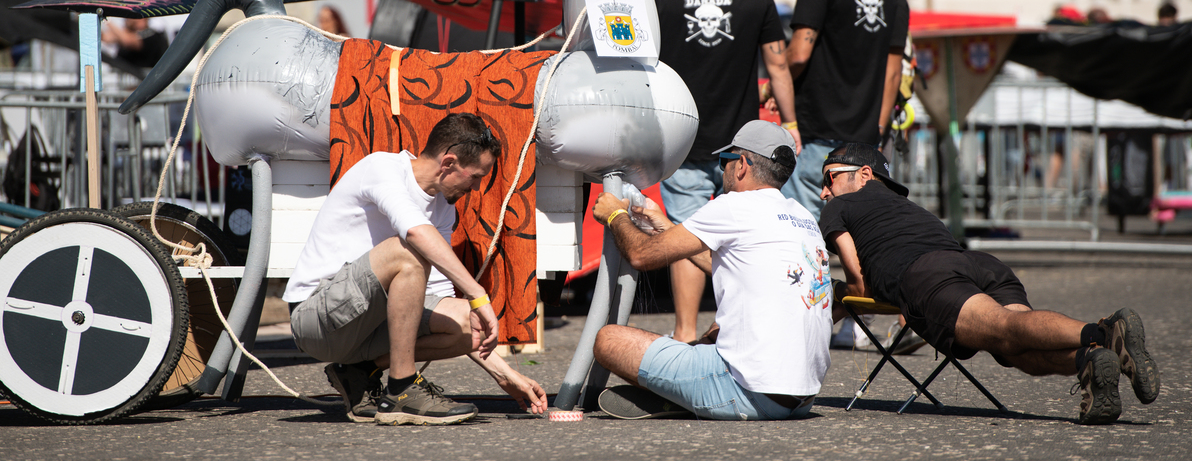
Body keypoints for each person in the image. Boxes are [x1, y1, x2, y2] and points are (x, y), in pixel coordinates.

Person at [818, 143, 1160, 425]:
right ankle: (1090, 360)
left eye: (830, 178)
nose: (823, 192)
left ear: (864, 174)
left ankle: (1104, 333)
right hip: (978, 263)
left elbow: (859, 284)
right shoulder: (908, 207)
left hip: (927, 275)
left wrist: (837, 294)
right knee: (1012, 349)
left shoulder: (841, 206)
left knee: (1008, 330)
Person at [284, 113, 545, 425]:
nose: (475, 188)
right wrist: (478, 293)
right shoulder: (382, 168)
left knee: (466, 321)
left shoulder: (442, 210)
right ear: (448, 163)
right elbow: (414, 233)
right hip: (317, 319)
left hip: (367, 325)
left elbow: (439, 299)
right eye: (475, 176)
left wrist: (506, 375)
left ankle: (359, 372)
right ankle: (402, 389)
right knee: (409, 251)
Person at [589, 120, 832, 421]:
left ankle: (689, 396)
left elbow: (640, 255)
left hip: (747, 393)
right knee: (714, 333)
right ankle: (689, 392)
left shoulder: (734, 205)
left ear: (741, 164)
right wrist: (667, 229)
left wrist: (614, 215)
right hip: (801, 397)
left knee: (609, 340)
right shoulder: (802, 215)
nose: (722, 170)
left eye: (724, 162)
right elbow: (733, 263)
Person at [653, 0, 799, 343]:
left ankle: (684, 332)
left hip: (680, 137)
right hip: (743, 144)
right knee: (748, 232)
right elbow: (777, 63)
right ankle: (736, 323)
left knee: (686, 235)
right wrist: (789, 122)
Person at [782, 0, 908, 222]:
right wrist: (877, 132)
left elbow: (798, 54)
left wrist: (773, 85)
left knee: (804, 232)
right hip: (865, 144)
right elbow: (893, 73)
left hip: (817, 138)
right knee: (861, 235)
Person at [102, 17, 169, 69]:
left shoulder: (151, 34)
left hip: (147, 81)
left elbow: (128, 41)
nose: (126, 19)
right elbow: (106, 38)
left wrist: (107, 20)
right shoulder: (128, 33)